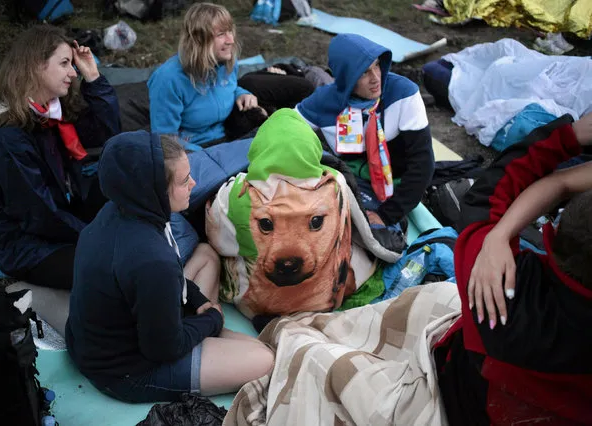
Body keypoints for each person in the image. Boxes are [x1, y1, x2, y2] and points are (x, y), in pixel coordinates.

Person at [66, 132, 274, 402]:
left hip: (107, 337)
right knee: (264, 359)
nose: (194, 183)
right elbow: (164, 349)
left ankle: (207, 329)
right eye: (184, 180)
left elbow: (162, 279)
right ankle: (210, 329)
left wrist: (198, 301)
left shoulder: (116, 211)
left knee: (206, 254)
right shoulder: (150, 260)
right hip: (126, 371)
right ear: (153, 190)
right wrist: (210, 321)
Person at [434, 112, 592, 424]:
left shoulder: (499, 283)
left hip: (465, 402)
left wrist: (567, 136)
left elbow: (487, 194)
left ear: (552, 234)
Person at [0, 25, 120, 290]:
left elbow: (108, 133)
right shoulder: (5, 137)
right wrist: (95, 235)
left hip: (64, 208)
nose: (73, 73)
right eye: (64, 64)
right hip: (26, 242)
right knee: (113, 266)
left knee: (125, 182)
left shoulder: (48, 107)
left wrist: (94, 78)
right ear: (36, 66)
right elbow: (38, 213)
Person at [296, 34, 433, 229]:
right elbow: (287, 125)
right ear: (346, 77)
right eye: (364, 73)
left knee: (370, 231)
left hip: (395, 184)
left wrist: (387, 215)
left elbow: (423, 163)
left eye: (377, 65)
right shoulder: (325, 101)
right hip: (350, 179)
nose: (376, 78)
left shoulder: (404, 94)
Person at [148, 2, 314, 148]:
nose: (230, 40)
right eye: (221, 34)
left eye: (230, 31)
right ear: (199, 40)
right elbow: (165, 140)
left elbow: (228, 88)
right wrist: (207, 155)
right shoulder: (169, 79)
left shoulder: (225, 62)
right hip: (195, 149)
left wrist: (241, 93)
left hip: (227, 136)